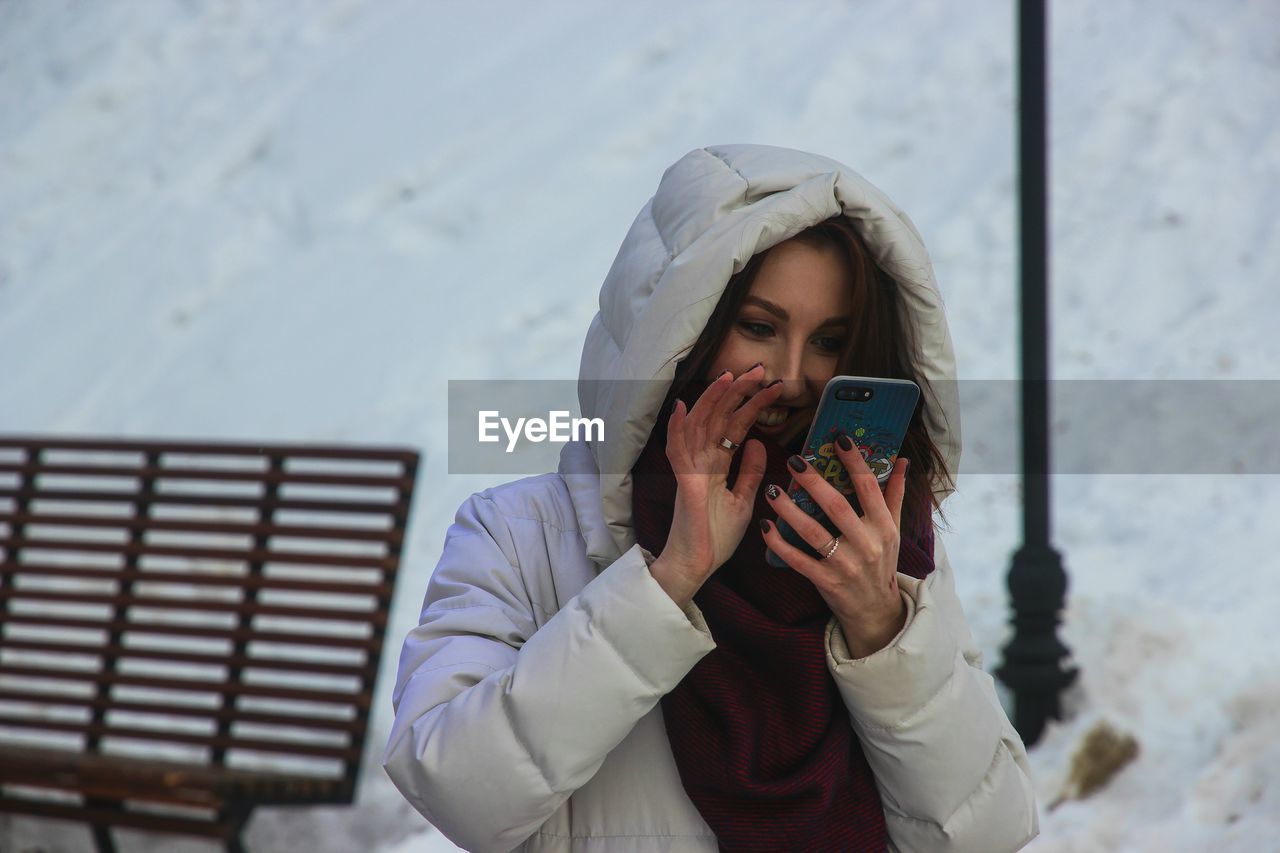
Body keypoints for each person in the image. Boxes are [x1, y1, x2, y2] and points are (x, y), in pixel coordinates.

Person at [383, 144, 1039, 852]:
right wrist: (667, 583)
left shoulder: (879, 547)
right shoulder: (521, 534)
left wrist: (882, 629)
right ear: (678, 334)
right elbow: (456, 787)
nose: (790, 377)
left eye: (828, 340)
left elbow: (988, 832)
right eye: (758, 327)